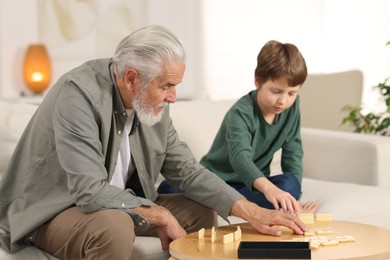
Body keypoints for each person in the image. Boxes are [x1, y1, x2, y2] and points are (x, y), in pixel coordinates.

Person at [0, 27, 307, 260]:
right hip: (56, 210)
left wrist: (251, 210)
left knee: (201, 211)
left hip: (120, 204)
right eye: (167, 86)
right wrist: (159, 214)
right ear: (132, 78)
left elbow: (187, 170)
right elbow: (89, 191)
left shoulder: (153, 104)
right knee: (114, 227)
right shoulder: (77, 95)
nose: (173, 96)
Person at [158, 40, 318, 214]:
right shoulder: (241, 113)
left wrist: (293, 200)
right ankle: (226, 202)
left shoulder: (292, 107)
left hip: (251, 186)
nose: (283, 100)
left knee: (290, 184)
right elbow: (240, 158)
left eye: (292, 93)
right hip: (216, 181)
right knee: (169, 188)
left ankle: (224, 204)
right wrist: (270, 190)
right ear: (257, 81)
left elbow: (293, 152)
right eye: (276, 91)